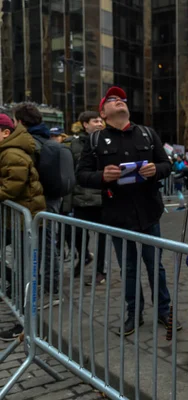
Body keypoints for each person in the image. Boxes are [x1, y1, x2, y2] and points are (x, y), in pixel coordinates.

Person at [76, 86, 181, 336]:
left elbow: (167, 164)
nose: (119, 101)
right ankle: (134, 314)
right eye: (112, 100)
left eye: (122, 99)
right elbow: (81, 175)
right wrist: (102, 176)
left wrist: (156, 169)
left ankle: (165, 312)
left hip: (148, 212)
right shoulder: (95, 140)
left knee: (155, 265)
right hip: (118, 215)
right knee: (129, 269)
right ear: (103, 112)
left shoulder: (147, 133)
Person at [0, 114, 46, 340]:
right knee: (23, 273)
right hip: (16, 221)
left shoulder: (12, 153)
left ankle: (26, 324)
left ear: (5, 133)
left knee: (27, 274)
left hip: (22, 222)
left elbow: (11, 188)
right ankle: (13, 291)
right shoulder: (9, 151)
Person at [12, 103, 63, 307]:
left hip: (37, 202)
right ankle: (49, 287)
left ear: (21, 122)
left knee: (39, 247)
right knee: (48, 244)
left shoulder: (30, 144)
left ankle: (42, 291)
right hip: (53, 200)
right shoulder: (49, 141)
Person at [71, 111, 107, 285]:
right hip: (81, 197)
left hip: (102, 197)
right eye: (95, 121)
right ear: (85, 124)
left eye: (101, 121)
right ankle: (84, 255)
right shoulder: (74, 145)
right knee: (76, 233)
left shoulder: (107, 142)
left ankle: (100, 271)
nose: (100, 123)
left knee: (102, 237)